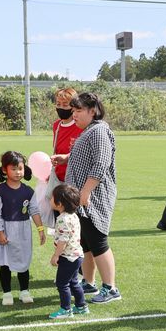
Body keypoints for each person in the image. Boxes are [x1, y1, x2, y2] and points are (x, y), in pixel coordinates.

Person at [66, 91, 121, 303]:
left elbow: (101, 162)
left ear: (93, 111)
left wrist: (86, 192)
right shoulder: (90, 131)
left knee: (98, 241)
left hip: (94, 196)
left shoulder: (98, 131)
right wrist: (66, 159)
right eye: (73, 110)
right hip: (82, 197)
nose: (74, 115)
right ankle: (88, 282)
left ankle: (111, 288)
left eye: (78, 110)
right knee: (86, 243)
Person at [0, 151, 45, 306]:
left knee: (23, 263)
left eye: (20, 168)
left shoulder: (28, 191)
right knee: (6, 263)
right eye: (13, 169)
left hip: (23, 231)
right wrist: (0, 233)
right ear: (4, 170)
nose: (17, 172)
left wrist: (40, 229)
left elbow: (34, 210)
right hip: (6, 231)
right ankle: (7, 293)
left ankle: (24, 291)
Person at [47, 183, 89, 319]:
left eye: (52, 198)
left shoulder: (62, 219)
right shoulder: (73, 216)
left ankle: (66, 309)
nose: (50, 199)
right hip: (77, 256)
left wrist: (56, 255)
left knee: (62, 283)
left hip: (68, 257)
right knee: (73, 282)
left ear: (59, 204)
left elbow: (63, 241)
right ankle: (81, 306)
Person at [50, 87, 82, 184]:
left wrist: (67, 157)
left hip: (75, 178)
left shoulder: (81, 125)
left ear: (73, 107)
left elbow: (82, 152)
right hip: (58, 177)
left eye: (65, 105)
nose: (61, 108)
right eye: (58, 104)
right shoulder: (57, 125)